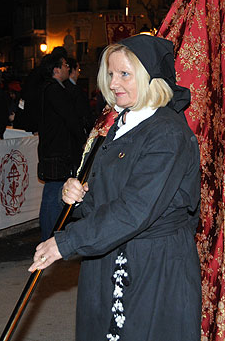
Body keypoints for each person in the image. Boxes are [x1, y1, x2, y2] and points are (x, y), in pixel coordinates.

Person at [28, 35, 201, 341]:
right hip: (109, 253)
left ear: (150, 78)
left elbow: (135, 209)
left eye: (124, 74)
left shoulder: (166, 133)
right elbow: (108, 191)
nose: (113, 83)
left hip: (151, 265)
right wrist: (79, 196)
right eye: (110, 74)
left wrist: (66, 243)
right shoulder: (123, 122)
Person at [37, 53, 86, 240]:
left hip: (52, 147)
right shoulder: (54, 90)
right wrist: (81, 138)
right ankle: (50, 237)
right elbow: (70, 117)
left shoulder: (48, 89)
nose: (68, 68)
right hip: (57, 149)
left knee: (53, 191)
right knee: (54, 193)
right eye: (65, 65)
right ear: (56, 69)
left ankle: (51, 235)